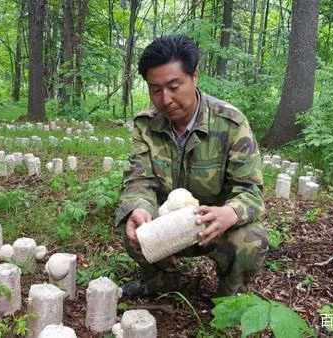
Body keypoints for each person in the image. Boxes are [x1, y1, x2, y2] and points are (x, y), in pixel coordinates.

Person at [115, 35, 268, 298]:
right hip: (165, 225)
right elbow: (139, 181)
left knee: (252, 238)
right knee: (129, 223)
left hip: (213, 226)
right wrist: (139, 208)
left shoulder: (230, 123)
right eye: (155, 90)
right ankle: (163, 283)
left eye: (174, 86)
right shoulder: (145, 125)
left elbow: (251, 190)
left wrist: (230, 213)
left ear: (194, 77)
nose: (166, 99)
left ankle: (228, 299)